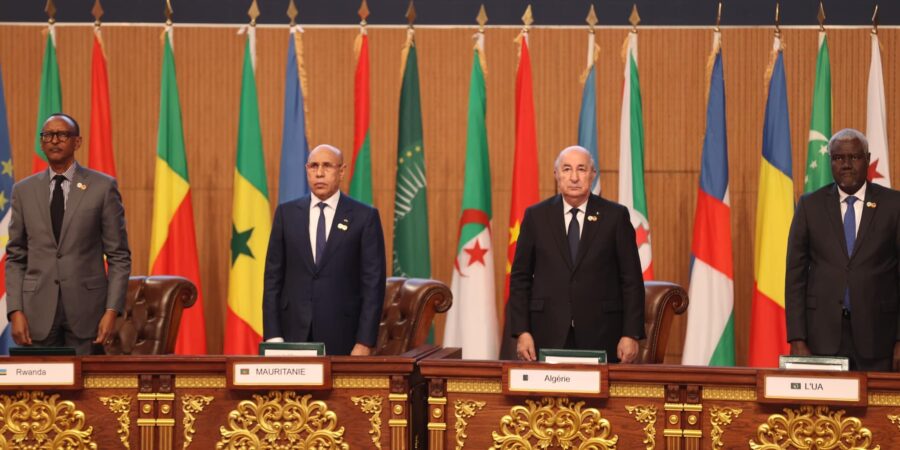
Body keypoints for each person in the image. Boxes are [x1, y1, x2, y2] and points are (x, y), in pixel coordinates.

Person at [6, 113, 131, 355]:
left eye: (62, 135)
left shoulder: (102, 187)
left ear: (77, 142)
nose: (54, 140)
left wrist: (112, 311)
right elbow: (16, 256)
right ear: (42, 143)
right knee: (39, 380)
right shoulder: (24, 191)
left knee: (84, 380)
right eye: (48, 135)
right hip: (36, 314)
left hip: (88, 314)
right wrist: (15, 310)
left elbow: (119, 256)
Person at [507, 146, 645, 363]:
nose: (574, 177)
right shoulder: (536, 216)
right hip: (546, 331)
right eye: (566, 169)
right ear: (556, 174)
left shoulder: (615, 216)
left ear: (593, 174)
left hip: (603, 332)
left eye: (581, 169)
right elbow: (520, 278)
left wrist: (631, 334)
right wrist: (522, 331)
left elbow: (631, 280)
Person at [786, 128, 900, 372]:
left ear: (867, 159)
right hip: (821, 338)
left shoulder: (894, 205)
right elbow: (795, 277)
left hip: (879, 338)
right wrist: (797, 338)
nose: (846, 164)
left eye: (854, 157)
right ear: (831, 161)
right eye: (838, 158)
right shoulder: (809, 206)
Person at [263, 144, 386, 356]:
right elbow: (273, 278)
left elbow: (373, 284)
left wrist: (365, 341)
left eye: (327, 166)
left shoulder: (364, 217)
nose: (319, 173)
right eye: (313, 166)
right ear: (307, 170)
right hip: (292, 333)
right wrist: (273, 336)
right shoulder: (286, 214)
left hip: (343, 335)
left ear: (342, 171)